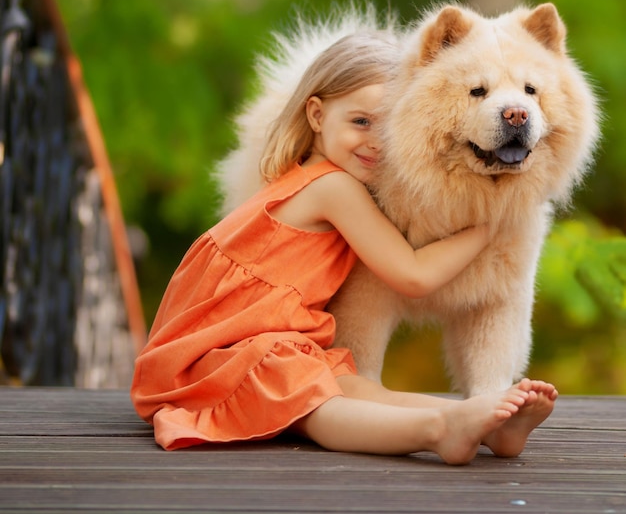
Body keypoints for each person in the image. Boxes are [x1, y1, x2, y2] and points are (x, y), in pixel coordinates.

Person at [131, 32, 557, 465]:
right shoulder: (333, 188)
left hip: (271, 341)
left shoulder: (320, 179)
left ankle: (483, 423)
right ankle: (439, 430)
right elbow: (412, 275)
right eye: (360, 122)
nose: (375, 141)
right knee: (320, 408)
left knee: (359, 389)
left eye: (385, 124)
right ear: (316, 115)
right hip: (220, 354)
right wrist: (494, 223)